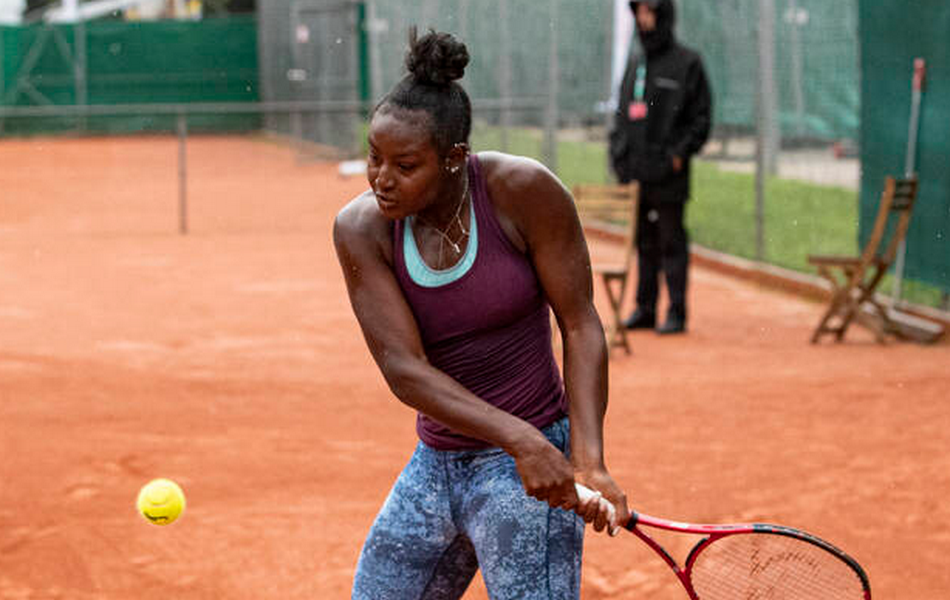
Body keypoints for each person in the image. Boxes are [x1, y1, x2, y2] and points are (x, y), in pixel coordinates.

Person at [333, 27, 629, 600]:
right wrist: (520, 440)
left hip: (532, 461)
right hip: (438, 463)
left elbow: (581, 324)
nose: (381, 179)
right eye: (374, 157)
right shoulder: (361, 228)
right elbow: (404, 369)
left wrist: (586, 459)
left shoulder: (524, 192)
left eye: (405, 164)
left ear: (454, 159)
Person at [610, 0, 712, 334]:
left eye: (649, 11)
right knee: (644, 243)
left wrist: (677, 155)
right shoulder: (636, 63)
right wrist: (620, 159)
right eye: (638, 11)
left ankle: (677, 311)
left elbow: (700, 120)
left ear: (664, 14)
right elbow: (622, 116)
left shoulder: (688, 64)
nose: (643, 18)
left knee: (671, 242)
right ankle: (645, 307)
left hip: (669, 176)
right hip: (636, 175)